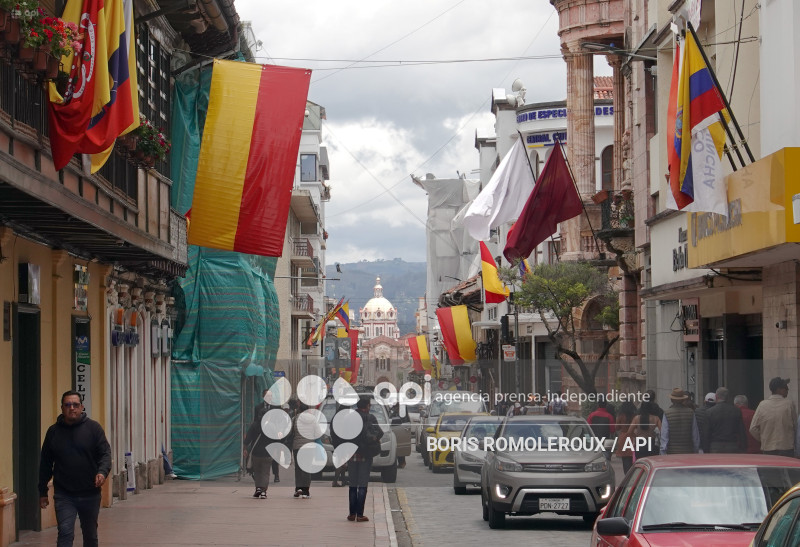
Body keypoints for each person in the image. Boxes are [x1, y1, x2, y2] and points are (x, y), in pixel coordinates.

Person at [38, 390, 112, 547]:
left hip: (90, 493)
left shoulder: (93, 429)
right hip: (64, 494)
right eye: (67, 405)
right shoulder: (53, 432)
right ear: (62, 408)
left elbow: (105, 454)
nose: (72, 408)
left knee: (90, 535)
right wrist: (42, 491)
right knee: (65, 532)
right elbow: (45, 463)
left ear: (81, 407)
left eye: (75, 405)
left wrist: (102, 472)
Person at [347, 398, 383, 522]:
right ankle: (360, 515)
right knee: (362, 485)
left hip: (352, 454)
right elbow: (380, 432)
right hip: (365, 455)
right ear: (367, 406)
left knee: (352, 484)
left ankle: (352, 514)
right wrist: (374, 439)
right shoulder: (370, 418)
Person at [751, 377, 797, 457]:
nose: (788, 390)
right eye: (785, 388)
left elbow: (753, 428)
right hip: (786, 448)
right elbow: (795, 426)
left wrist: (764, 438)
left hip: (768, 448)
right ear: (779, 390)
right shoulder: (789, 404)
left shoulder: (762, 405)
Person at [243, 401, 273, 499]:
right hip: (267, 453)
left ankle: (258, 489)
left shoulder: (254, 425)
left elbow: (248, 438)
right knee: (265, 472)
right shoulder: (271, 426)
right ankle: (263, 492)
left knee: (257, 471)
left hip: (256, 452)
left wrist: (245, 448)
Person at [660, 388, 701, 455]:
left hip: (672, 452)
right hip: (688, 452)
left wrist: (663, 452)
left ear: (671, 400)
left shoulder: (667, 413)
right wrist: (696, 450)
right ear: (683, 399)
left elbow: (664, 436)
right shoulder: (690, 412)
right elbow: (695, 435)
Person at [706, 387, 747, 453]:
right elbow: (741, 432)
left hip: (715, 446)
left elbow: (707, 433)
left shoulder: (710, 412)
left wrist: (706, 449)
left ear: (716, 397)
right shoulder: (736, 411)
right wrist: (743, 448)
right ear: (728, 397)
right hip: (732, 445)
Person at [254, 389, 280, 483]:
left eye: (270, 396)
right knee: (262, 455)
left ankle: (276, 474)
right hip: (261, 435)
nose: (269, 397)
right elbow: (256, 421)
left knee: (273, 455)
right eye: (267, 396)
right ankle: (260, 474)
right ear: (263, 396)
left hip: (272, 435)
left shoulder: (276, 407)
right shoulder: (258, 407)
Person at [291, 402, 315, 498]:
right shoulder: (313, 419)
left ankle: (298, 488)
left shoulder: (295, 418)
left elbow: (290, 432)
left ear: (300, 409)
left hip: (297, 447)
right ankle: (306, 491)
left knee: (298, 468)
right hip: (309, 447)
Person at [615, 401, 637, 473]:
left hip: (623, 438)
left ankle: (627, 476)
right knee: (634, 458)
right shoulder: (634, 416)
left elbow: (617, 428)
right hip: (633, 437)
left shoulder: (620, 415)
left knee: (625, 460)